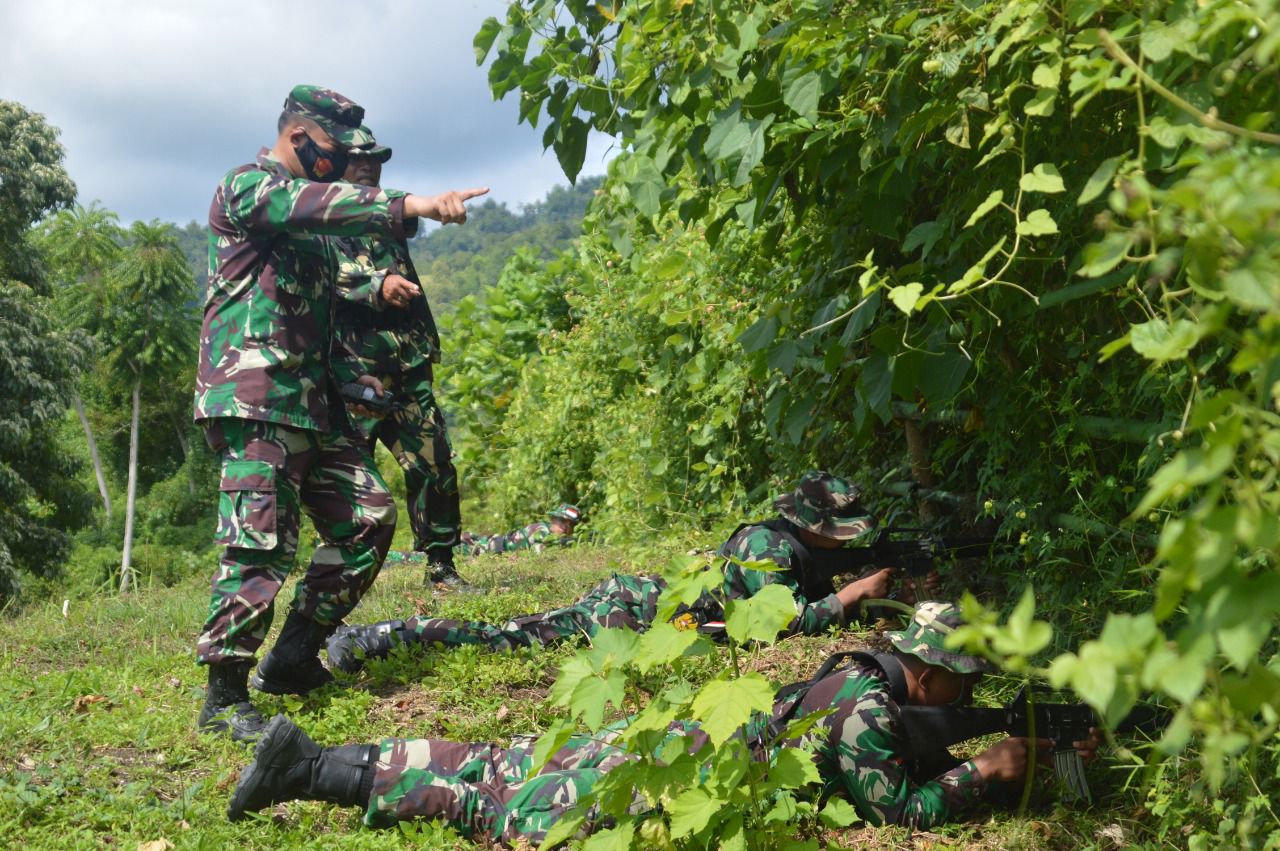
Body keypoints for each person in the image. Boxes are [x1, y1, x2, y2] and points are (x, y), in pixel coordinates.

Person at [227, 601, 1102, 843]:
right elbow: (898, 812)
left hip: (676, 746)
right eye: (959, 685)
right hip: (670, 771)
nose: (959, 700)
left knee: (496, 758)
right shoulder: (870, 710)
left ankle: (311, 760)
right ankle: (307, 771)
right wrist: (983, 775)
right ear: (930, 672)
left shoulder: (858, 673)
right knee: (507, 806)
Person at [194, 84, 488, 741]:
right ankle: (223, 694)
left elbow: (336, 286)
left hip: (314, 405)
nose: (338, 164)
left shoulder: (312, 228)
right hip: (256, 396)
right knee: (259, 541)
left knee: (367, 518)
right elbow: (320, 205)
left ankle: (293, 655)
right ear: (298, 139)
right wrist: (412, 203)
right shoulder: (249, 187)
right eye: (331, 151)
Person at [325, 472, 906, 674]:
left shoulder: (791, 548)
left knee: (509, 635)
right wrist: (855, 593)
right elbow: (779, 626)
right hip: (634, 611)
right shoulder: (766, 545)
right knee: (506, 638)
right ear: (810, 524)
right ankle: (374, 638)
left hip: (654, 611)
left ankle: (373, 638)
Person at [332, 137, 467, 590]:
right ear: (334, 163)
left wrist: (437, 204)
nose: (368, 167)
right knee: (349, 479)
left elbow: (405, 210)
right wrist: (375, 284)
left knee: (434, 464)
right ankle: (342, 579)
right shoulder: (316, 214)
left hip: (408, 365)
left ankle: (441, 567)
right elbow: (319, 277)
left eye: (375, 161)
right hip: (354, 373)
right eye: (357, 161)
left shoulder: (386, 216)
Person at [457, 502, 584, 556]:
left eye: (571, 525)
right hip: (490, 547)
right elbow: (539, 548)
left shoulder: (554, 535)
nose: (565, 527)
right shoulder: (542, 530)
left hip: (495, 544)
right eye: (561, 521)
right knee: (453, 546)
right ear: (553, 520)